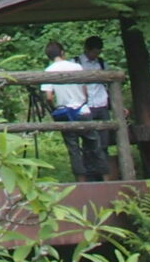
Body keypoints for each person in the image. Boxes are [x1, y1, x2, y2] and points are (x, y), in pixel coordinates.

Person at [40, 39, 103, 182]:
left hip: (65, 113)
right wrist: (84, 100)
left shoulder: (48, 71)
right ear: (63, 53)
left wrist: (54, 109)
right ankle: (104, 177)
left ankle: (81, 181)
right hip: (83, 110)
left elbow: (49, 97)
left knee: (73, 149)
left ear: (48, 56)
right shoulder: (76, 67)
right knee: (94, 145)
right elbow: (84, 88)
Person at [75, 36, 114, 180]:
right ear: (87, 49)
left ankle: (102, 173)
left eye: (98, 52)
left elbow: (110, 85)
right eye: (93, 52)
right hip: (86, 106)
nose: (95, 55)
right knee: (88, 142)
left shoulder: (102, 64)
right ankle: (90, 174)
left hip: (101, 104)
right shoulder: (76, 63)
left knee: (104, 142)